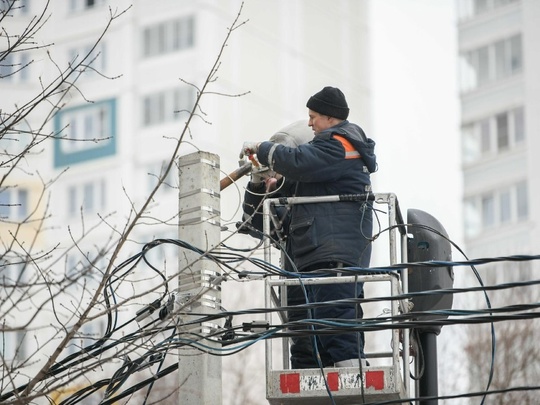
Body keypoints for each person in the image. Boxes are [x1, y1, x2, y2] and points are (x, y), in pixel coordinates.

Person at [239, 86, 377, 369]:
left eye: (314, 116)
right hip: (304, 262)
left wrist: (265, 150)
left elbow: (300, 161)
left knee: (335, 321)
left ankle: (353, 383)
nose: (311, 122)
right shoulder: (309, 180)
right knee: (304, 338)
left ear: (329, 118)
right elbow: (256, 221)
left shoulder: (343, 144)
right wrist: (257, 182)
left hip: (333, 253)